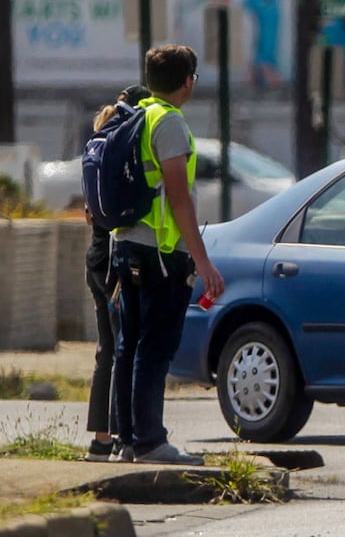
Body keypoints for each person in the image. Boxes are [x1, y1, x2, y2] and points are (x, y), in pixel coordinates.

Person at [110, 45, 224, 465]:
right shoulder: (170, 122)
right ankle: (150, 441)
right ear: (187, 81)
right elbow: (179, 198)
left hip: (126, 243)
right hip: (160, 252)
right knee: (154, 347)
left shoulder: (138, 114)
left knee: (130, 344)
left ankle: (127, 441)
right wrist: (203, 260)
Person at [80, 83, 150, 462]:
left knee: (107, 348)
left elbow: (90, 213)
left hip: (95, 254)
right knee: (125, 346)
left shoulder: (97, 145)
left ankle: (101, 441)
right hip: (115, 260)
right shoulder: (126, 147)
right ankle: (124, 437)